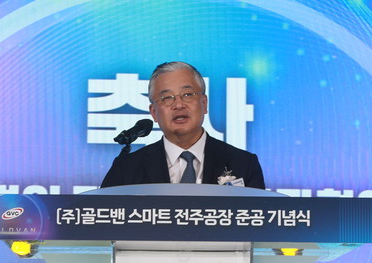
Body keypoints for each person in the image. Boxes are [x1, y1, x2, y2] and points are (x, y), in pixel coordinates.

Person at [100, 61, 265, 189]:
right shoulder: (127, 169)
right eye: (166, 98)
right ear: (154, 112)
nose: (178, 105)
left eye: (187, 94)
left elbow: (258, 220)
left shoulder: (243, 164)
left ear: (204, 103)